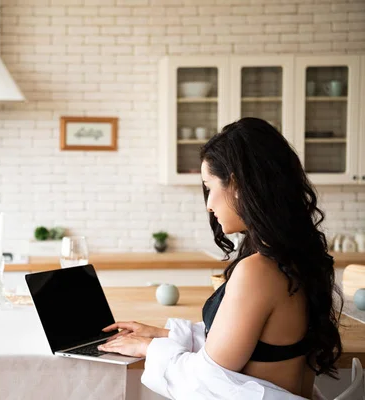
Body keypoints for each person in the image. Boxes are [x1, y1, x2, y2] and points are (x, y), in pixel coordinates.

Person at [98, 118, 343, 399]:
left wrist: (147, 349)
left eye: (210, 186)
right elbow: (241, 347)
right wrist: (160, 335)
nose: (209, 204)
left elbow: (205, 380)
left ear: (237, 185)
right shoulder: (294, 259)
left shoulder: (258, 271)